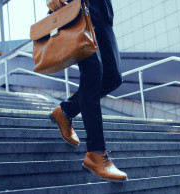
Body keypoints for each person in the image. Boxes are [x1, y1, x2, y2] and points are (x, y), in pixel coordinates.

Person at [46, 0, 128, 182]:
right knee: (93, 73)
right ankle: (96, 154)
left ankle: (66, 111)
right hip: (76, 6)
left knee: (113, 77)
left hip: (102, 9)